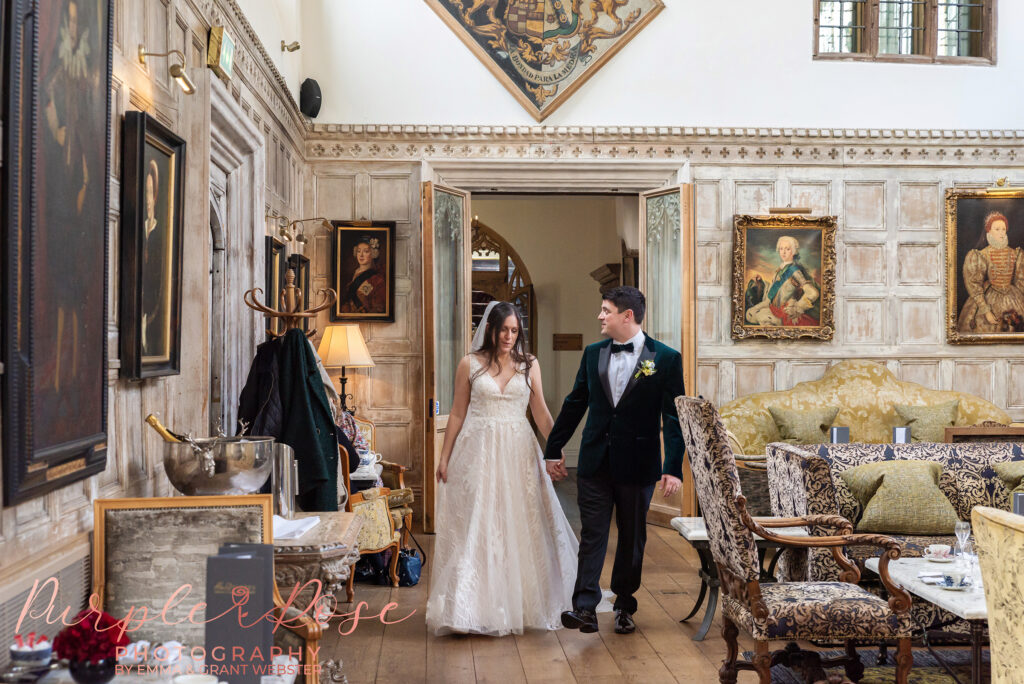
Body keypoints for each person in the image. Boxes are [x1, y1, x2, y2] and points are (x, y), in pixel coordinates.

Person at [426, 301, 578, 636]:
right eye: (504, 329)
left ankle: (522, 603)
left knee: (522, 521)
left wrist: (556, 450)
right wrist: (444, 457)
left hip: (519, 451)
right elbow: (456, 413)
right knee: (478, 522)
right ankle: (467, 608)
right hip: (477, 451)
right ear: (491, 330)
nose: (509, 336)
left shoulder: (529, 365)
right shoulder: (470, 364)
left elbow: (540, 411)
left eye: (514, 330)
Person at [545, 286, 685, 635]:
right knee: (592, 534)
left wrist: (672, 468)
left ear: (627, 316)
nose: (600, 316)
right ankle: (585, 608)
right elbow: (575, 402)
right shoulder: (593, 353)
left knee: (632, 537)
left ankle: (624, 603)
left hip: (638, 464)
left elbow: (673, 417)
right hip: (595, 460)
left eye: (606, 310)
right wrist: (553, 447)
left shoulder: (666, 359)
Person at [957, 211, 1024, 334]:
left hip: (1013, 297)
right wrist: (985, 310)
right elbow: (974, 283)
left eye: (1003, 229)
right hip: (989, 296)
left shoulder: (1016, 253)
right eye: (997, 229)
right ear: (989, 231)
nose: (1001, 233)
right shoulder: (980, 255)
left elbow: (1021, 282)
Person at [745, 235, 819, 327]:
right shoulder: (779, 270)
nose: (783, 252)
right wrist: (760, 283)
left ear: (794, 251)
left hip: (784, 313)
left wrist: (798, 308)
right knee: (749, 314)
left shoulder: (795, 271)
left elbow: (813, 293)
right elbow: (773, 293)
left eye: (787, 249)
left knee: (761, 316)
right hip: (772, 307)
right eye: (781, 249)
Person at [141, 160, 167, 357]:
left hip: (150, 307)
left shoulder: (159, 233)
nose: (148, 200)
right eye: (145, 194)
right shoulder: (141, 228)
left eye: (151, 193)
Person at [339, 237, 387, 314]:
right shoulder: (352, 275)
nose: (361, 255)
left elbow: (379, 309)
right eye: (358, 251)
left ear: (373, 253)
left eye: (366, 251)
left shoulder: (377, 279)